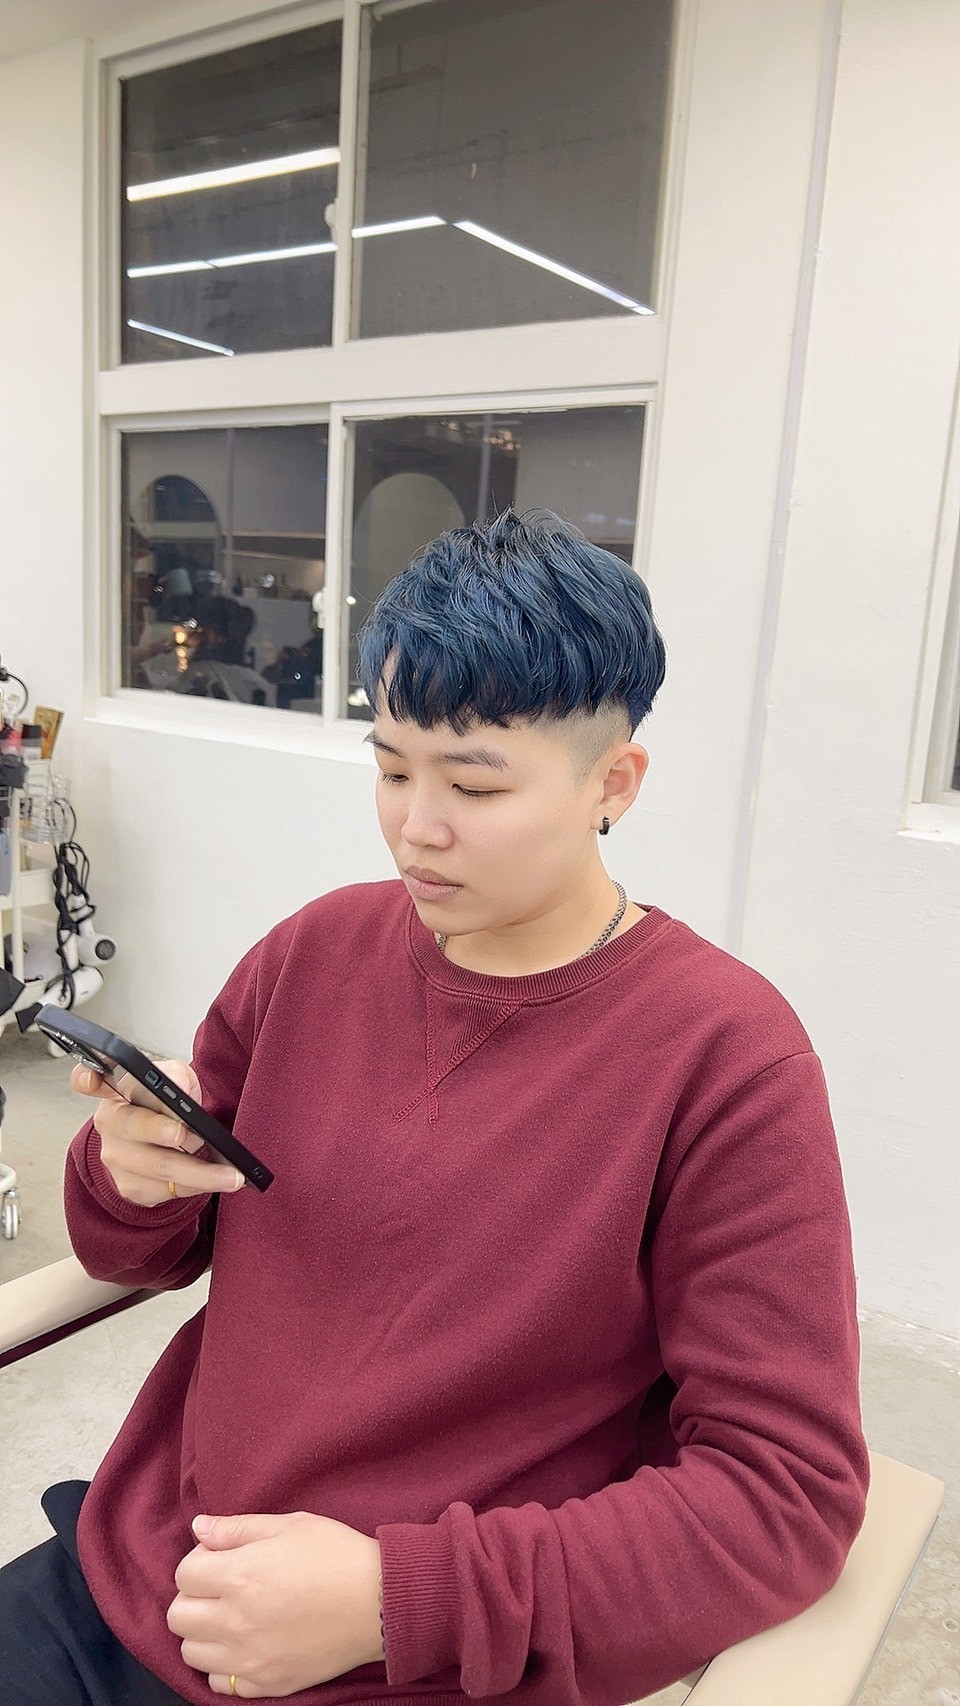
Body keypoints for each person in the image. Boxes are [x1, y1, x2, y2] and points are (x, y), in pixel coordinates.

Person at [0, 508, 869, 1706]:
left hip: (414, 1660)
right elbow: (134, 1250)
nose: (417, 826)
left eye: (472, 782)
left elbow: (787, 1493)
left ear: (613, 783)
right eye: (392, 767)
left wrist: (394, 1597)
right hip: (149, 1572)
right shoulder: (313, 952)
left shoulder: (725, 1057)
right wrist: (128, 1173)